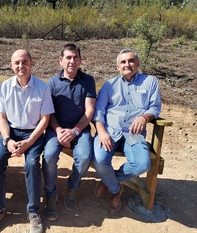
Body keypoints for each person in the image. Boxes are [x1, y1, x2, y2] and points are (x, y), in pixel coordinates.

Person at [0, 49, 54, 233]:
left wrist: (29, 142)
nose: (21, 66)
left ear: (31, 64)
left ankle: (33, 212)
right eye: (17, 63)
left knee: (32, 164)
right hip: (11, 131)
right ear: (12, 65)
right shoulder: (5, 87)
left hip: (33, 132)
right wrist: (7, 140)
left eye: (25, 62)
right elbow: (1, 118)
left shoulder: (43, 87)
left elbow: (45, 120)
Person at [92, 48, 162, 214]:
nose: (127, 64)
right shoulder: (109, 85)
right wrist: (101, 132)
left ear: (137, 63)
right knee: (100, 160)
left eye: (131, 61)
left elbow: (155, 107)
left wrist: (144, 117)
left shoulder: (150, 82)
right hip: (110, 130)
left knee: (142, 163)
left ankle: (109, 181)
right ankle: (116, 190)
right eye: (123, 62)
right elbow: (98, 111)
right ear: (117, 66)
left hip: (133, 133)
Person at [42, 43, 96, 221]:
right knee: (49, 156)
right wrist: (58, 130)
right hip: (55, 129)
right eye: (68, 57)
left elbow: (89, 111)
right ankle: (50, 194)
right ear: (61, 60)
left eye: (75, 57)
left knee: (85, 157)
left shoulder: (88, 81)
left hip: (79, 129)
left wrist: (75, 131)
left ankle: (72, 186)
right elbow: (49, 112)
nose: (72, 61)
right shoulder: (52, 82)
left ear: (80, 60)